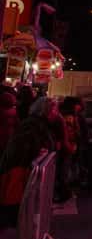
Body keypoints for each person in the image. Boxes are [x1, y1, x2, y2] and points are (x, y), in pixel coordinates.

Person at [0, 97, 55, 228]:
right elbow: (22, 149)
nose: (56, 114)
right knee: (12, 207)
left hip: (22, 171)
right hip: (20, 172)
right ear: (46, 111)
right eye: (54, 110)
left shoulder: (35, 123)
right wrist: (39, 152)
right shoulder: (33, 125)